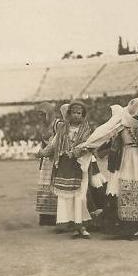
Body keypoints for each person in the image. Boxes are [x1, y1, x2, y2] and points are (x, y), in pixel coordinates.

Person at [79, 97, 138, 240]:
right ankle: (131, 230)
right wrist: (87, 145)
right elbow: (104, 131)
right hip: (128, 157)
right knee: (129, 192)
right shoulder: (122, 119)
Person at [37, 100, 93, 239]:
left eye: (79, 113)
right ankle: (75, 226)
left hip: (81, 166)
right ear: (69, 114)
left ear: (83, 115)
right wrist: (43, 153)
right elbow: (54, 144)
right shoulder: (62, 129)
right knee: (68, 198)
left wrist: (77, 152)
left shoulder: (86, 130)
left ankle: (82, 226)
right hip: (65, 166)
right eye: (73, 112)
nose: (76, 115)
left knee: (80, 197)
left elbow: (89, 145)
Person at [33, 102, 62, 226]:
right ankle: (46, 216)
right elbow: (43, 144)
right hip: (46, 161)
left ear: (49, 113)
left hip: (55, 160)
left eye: (43, 115)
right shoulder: (43, 127)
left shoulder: (57, 124)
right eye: (39, 115)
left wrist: (46, 153)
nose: (41, 118)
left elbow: (58, 143)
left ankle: (56, 216)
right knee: (44, 187)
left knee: (54, 187)